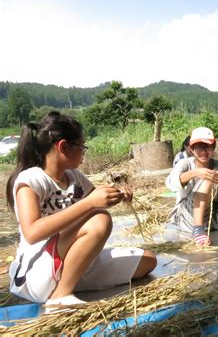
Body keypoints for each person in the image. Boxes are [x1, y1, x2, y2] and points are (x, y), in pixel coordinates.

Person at [6, 112, 157, 310]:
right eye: (82, 146)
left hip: (71, 263)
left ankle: (68, 282)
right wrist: (89, 204)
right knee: (100, 220)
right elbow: (32, 233)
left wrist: (117, 195)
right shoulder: (32, 179)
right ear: (63, 147)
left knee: (148, 260)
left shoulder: (74, 177)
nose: (84, 152)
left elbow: (98, 199)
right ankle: (60, 296)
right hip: (38, 271)